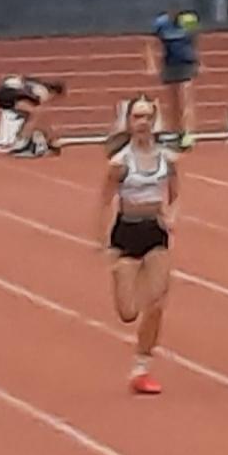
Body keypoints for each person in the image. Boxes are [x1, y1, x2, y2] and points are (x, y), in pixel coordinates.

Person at [94, 98, 179, 395]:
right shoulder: (119, 163)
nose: (142, 122)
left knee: (157, 304)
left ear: (154, 122)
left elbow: (175, 193)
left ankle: (141, 368)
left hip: (155, 232)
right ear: (129, 123)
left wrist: (171, 215)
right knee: (128, 312)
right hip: (126, 234)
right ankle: (125, 277)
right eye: (137, 117)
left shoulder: (167, 159)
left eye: (147, 117)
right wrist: (102, 242)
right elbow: (105, 201)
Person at [152, 8, 200, 150]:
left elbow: (193, 39)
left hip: (186, 64)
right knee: (173, 102)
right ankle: (176, 132)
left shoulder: (188, 22)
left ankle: (188, 133)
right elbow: (157, 41)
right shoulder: (163, 24)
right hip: (170, 65)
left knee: (185, 100)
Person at [0, 75, 66, 156]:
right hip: (8, 95)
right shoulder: (44, 93)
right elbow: (39, 115)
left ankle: (23, 139)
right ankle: (22, 141)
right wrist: (51, 135)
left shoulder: (38, 86)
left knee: (31, 115)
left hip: (6, 93)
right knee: (35, 115)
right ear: (54, 93)